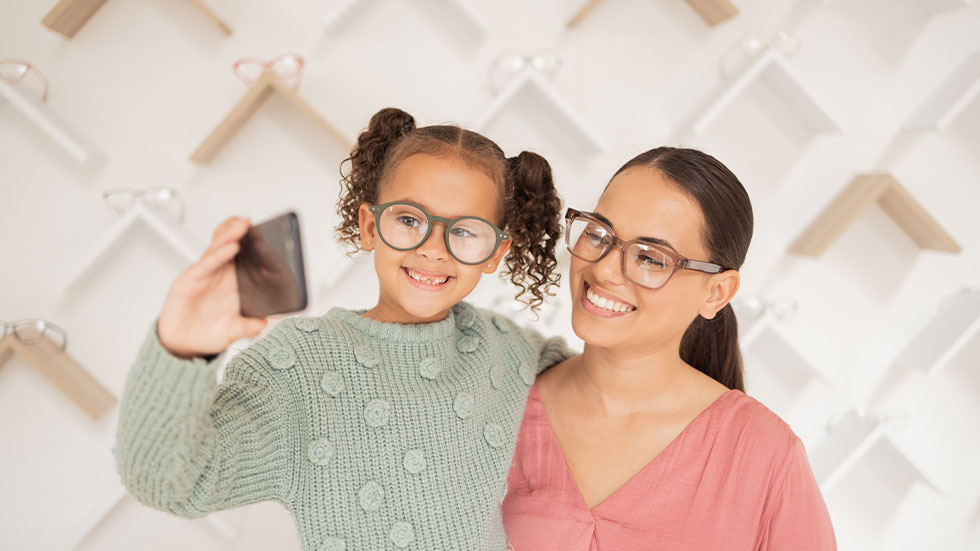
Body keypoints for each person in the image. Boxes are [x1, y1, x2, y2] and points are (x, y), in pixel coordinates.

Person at [114, 107, 573, 551]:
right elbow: (167, 484)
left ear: (495, 251)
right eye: (410, 220)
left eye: (466, 231)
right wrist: (181, 351)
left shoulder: (509, 348)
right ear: (371, 225)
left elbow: (605, 389)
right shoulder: (299, 365)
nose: (434, 250)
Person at [502, 147, 836, 550]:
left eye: (650, 258)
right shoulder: (497, 404)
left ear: (716, 293)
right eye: (598, 234)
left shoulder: (765, 454)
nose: (604, 269)